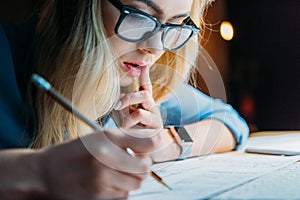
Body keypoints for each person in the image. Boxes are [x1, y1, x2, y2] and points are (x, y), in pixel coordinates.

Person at [0, 0, 249, 199]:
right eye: (139, 16)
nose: (155, 48)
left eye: (174, 24)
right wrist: (39, 172)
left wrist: (167, 142)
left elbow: (229, 121)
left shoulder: (133, 78)